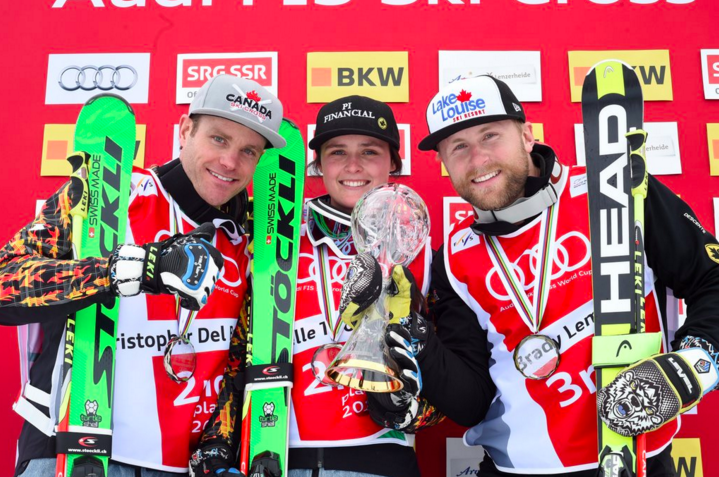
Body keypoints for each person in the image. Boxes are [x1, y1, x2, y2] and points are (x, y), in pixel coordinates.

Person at [340, 75, 719, 476]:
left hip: (632, 459)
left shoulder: (613, 190)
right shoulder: (454, 257)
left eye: (490, 136)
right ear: (443, 162)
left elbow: (710, 279)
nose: (478, 159)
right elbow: (471, 403)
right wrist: (415, 335)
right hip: (511, 469)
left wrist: (695, 360)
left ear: (527, 134)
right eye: (459, 147)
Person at [1, 74, 286, 476]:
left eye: (249, 151)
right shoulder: (108, 194)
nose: (229, 162)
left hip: (177, 465)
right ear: (185, 130)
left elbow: (240, 358)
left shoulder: (253, 239)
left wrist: (218, 444)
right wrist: (126, 270)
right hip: (71, 450)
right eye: (219, 139)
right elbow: (6, 280)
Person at [190, 95, 441, 477]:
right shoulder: (273, 235)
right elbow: (234, 352)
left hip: (382, 461)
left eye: (370, 152)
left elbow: (449, 373)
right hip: (275, 457)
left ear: (393, 163)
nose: (353, 166)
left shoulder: (418, 252)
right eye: (337, 152)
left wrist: (411, 411)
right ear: (318, 164)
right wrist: (218, 444)